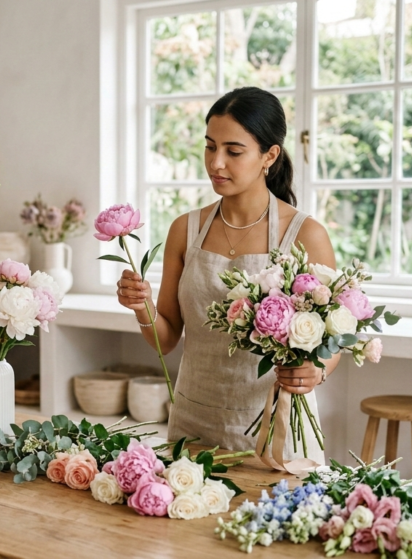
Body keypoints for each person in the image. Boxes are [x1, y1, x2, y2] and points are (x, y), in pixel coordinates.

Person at [116, 87, 341, 453]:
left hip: (274, 425)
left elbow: (334, 340)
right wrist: (142, 307)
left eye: (233, 151)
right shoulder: (185, 230)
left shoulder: (305, 234)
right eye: (210, 147)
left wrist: (316, 371)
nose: (216, 163)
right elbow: (167, 339)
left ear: (269, 155)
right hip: (192, 421)